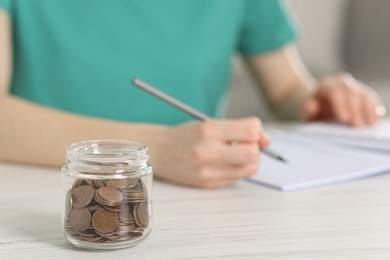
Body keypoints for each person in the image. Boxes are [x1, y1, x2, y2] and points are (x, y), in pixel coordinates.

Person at [0, 0, 385, 188]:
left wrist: (319, 100)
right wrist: (158, 150)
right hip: (44, 186)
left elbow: (287, 89)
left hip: (207, 195)